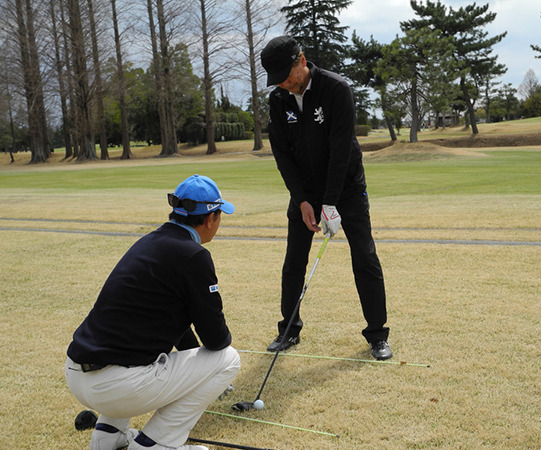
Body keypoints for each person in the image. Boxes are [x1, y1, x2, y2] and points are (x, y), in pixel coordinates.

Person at [65, 174, 241, 450]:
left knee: (132, 352)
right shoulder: (194, 256)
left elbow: (173, 318)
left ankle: (108, 435)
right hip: (117, 386)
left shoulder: (150, 242)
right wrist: (204, 376)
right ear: (210, 219)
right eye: (220, 216)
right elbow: (217, 340)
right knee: (228, 359)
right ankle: (156, 444)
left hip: (76, 375)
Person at [260, 36, 393, 361]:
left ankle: (377, 335)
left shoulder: (336, 89)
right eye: (276, 78)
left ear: (301, 61)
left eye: (286, 75)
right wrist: (302, 200)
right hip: (305, 192)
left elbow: (340, 152)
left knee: (364, 256)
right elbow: (281, 153)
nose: (283, 83)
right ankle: (288, 331)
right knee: (294, 263)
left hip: (345, 188)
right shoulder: (279, 99)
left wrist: (330, 203)